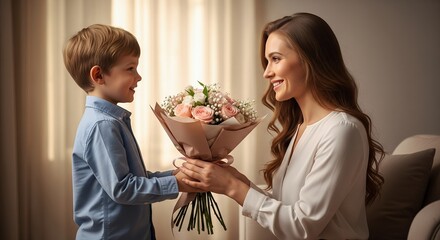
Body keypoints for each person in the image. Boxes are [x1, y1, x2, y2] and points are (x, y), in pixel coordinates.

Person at [179, 12, 385, 239]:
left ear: (311, 59)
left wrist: (231, 186)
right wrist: (238, 180)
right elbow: (287, 208)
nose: (267, 72)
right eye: (267, 61)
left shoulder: (341, 130)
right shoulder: (301, 128)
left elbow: (302, 226)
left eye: (276, 59)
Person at [63, 24, 196, 240]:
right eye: (130, 68)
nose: (139, 76)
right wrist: (177, 183)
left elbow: (134, 179)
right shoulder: (102, 125)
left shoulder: (112, 121)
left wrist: (176, 174)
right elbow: (123, 188)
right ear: (98, 75)